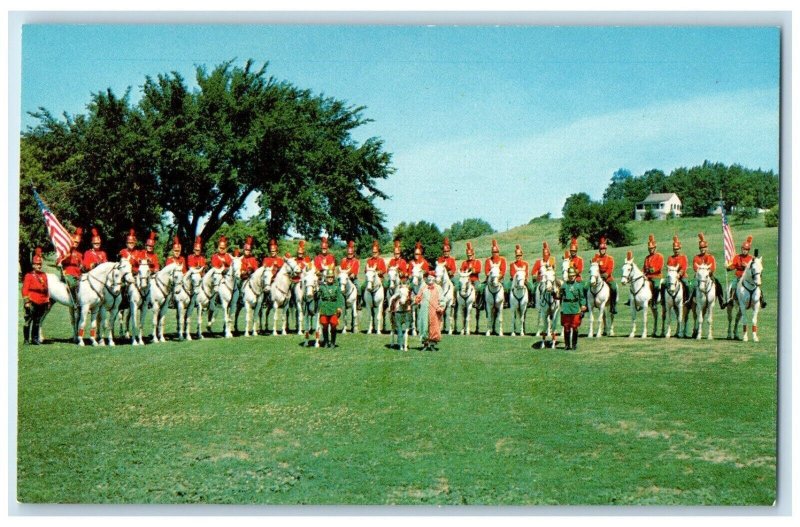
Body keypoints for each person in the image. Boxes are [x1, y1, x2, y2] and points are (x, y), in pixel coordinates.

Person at [725, 235, 767, 308]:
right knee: (733, 285)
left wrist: (746, 266)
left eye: (746, 249)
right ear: (741, 249)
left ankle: (761, 299)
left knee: (757, 286)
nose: (744, 251)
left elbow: (754, 268)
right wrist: (728, 268)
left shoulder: (751, 258)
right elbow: (733, 266)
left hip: (748, 278)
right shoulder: (737, 257)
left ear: (748, 250)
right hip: (739, 277)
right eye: (743, 249)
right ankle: (731, 299)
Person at [22, 247, 50, 345]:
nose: (38, 266)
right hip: (32, 300)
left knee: (37, 321)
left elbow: (46, 289)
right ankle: (26, 340)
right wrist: (27, 302)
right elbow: (25, 289)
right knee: (28, 321)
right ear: (33, 265)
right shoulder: (29, 275)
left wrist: (47, 300)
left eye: (39, 264)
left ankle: (35, 339)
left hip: (41, 301)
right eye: (36, 264)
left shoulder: (44, 275)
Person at [414, 269, 445, 351]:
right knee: (424, 325)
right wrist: (416, 301)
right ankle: (425, 343)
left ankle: (432, 344)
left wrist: (441, 307)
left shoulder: (438, 288)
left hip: (434, 311)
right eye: (429, 278)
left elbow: (442, 299)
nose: (430, 280)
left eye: (432, 278)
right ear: (426, 279)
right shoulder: (423, 288)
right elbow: (418, 297)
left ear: (434, 278)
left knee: (434, 326)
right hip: (424, 310)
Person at [692, 233, 725, 307]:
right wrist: (700, 273)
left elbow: (713, 267)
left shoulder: (710, 257)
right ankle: (689, 300)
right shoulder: (696, 257)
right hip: (698, 277)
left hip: (709, 276)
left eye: (704, 247)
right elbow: (695, 267)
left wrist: (708, 272)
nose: (702, 249)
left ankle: (721, 300)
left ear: (706, 248)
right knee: (691, 284)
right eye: (701, 248)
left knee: (718, 284)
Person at [559, 265, 587, 350]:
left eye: (573, 276)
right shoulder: (564, 285)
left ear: (575, 276)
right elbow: (559, 296)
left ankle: (574, 344)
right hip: (566, 308)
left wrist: (583, 305)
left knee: (575, 327)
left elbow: (582, 297)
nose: (571, 277)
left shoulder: (579, 285)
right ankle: (567, 345)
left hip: (575, 307)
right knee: (566, 327)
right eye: (570, 276)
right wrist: (555, 294)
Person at [318, 268, 345, 348]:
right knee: (325, 325)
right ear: (326, 278)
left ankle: (333, 342)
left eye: (332, 277)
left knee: (333, 325)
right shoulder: (322, 287)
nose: (330, 278)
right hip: (324, 307)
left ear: (333, 278)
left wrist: (339, 307)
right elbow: (318, 296)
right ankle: (326, 342)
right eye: (329, 277)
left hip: (333, 307)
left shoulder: (337, 287)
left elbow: (339, 298)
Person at [388, 270, 413, 350]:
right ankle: (400, 343)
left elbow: (412, 296)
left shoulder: (410, 287)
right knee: (398, 328)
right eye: (402, 278)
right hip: (398, 309)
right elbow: (395, 296)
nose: (404, 279)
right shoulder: (398, 287)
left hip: (407, 309)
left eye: (405, 278)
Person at [58, 227, 83, 303]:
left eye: (77, 242)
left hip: (78, 275)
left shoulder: (79, 254)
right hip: (67, 274)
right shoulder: (65, 251)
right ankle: (76, 302)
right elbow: (57, 262)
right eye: (74, 241)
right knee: (72, 284)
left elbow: (81, 266)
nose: (76, 243)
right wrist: (61, 261)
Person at [592, 237, 617, 314]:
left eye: (604, 249)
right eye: (601, 249)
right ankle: (588, 304)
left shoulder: (610, 258)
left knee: (614, 288)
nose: (602, 250)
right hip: (598, 279)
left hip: (608, 278)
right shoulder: (597, 258)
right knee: (587, 286)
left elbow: (610, 268)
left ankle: (613, 306)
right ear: (599, 250)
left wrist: (606, 274)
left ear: (605, 249)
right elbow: (593, 266)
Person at [665, 235, 690, 304]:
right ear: (673, 250)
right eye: (675, 249)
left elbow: (684, 267)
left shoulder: (683, 257)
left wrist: (679, 274)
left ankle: (687, 299)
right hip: (672, 277)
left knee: (688, 284)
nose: (676, 251)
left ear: (680, 249)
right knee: (664, 284)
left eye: (678, 249)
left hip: (682, 276)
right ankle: (664, 300)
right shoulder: (670, 258)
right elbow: (668, 268)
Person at [531, 241, 556, 307]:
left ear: (549, 254)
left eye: (547, 254)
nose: (546, 255)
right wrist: (537, 276)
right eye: (544, 254)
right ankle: (533, 301)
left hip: (550, 279)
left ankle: (558, 300)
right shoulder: (538, 262)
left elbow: (553, 269)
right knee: (534, 289)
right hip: (541, 280)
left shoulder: (552, 260)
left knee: (558, 287)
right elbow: (533, 272)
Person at [642, 234, 664, 307]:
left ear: (655, 248)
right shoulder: (647, 258)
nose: (650, 249)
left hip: (656, 277)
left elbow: (659, 268)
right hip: (647, 277)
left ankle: (654, 302)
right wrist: (642, 274)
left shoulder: (659, 256)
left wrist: (650, 270)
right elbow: (644, 268)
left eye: (652, 248)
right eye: (649, 248)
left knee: (656, 286)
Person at [460, 241, 483, 307]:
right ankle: (459, 300)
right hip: (467, 279)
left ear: (473, 254)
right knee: (459, 287)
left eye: (470, 255)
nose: (469, 256)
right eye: (468, 255)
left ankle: (477, 301)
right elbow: (462, 270)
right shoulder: (464, 262)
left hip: (475, 279)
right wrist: (466, 271)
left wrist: (472, 270)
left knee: (479, 288)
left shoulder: (477, 261)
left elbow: (479, 270)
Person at [340, 240, 360, 305]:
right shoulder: (343, 260)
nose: (350, 255)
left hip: (353, 278)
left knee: (358, 287)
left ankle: (358, 303)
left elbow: (356, 271)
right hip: (344, 278)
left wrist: (353, 275)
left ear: (353, 253)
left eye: (351, 254)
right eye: (349, 253)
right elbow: (341, 269)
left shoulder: (356, 261)